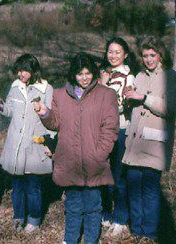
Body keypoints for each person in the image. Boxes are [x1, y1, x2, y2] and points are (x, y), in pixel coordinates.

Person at [34, 54, 119, 244]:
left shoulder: (106, 95)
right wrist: (44, 113)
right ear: (73, 75)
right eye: (80, 74)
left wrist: (100, 154)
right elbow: (55, 123)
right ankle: (70, 240)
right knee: (72, 206)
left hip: (93, 161)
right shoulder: (59, 94)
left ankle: (91, 240)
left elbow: (111, 127)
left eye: (88, 73)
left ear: (94, 73)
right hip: (69, 160)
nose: (85, 78)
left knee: (93, 206)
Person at [123, 36, 176, 243]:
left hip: (154, 144)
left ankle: (149, 231)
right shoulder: (138, 76)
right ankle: (137, 229)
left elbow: (169, 108)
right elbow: (133, 108)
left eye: (152, 55)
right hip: (134, 143)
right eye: (145, 55)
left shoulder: (170, 77)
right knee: (133, 186)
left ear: (161, 55)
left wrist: (144, 98)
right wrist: (127, 99)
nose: (148, 59)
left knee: (149, 189)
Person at [0, 54, 53, 233]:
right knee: (17, 186)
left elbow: (52, 117)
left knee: (33, 186)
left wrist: (49, 143)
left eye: (24, 70)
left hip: (35, 145)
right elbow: (8, 109)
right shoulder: (15, 86)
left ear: (33, 70)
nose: (20, 74)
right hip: (15, 145)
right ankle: (18, 216)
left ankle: (34, 218)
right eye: (18, 70)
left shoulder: (46, 89)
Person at [99, 38, 137, 237]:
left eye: (117, 52)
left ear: (125, 55)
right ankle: (105, 213)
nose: (113, 56)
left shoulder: (128, 76)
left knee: (119, 175)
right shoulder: (102, 73)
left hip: (121, 129)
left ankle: (121, 218)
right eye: (110, 52)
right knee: (103, 173)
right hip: (100, 131)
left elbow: (121, 105)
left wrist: (103, 88)